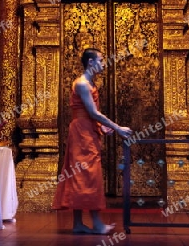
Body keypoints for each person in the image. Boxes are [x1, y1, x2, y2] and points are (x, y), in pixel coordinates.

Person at [52, 48, 133, 234]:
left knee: (83, 174)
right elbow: (93, 112)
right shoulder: (81, 84)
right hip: (81, 133)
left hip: (87, 130)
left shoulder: (89, 83)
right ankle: (96, 224)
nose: (103, 64)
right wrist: (118, 127)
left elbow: (91, 114)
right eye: (101, 60)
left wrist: (103, 126)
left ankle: (79, 224)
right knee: (88, 174)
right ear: (90, 62)